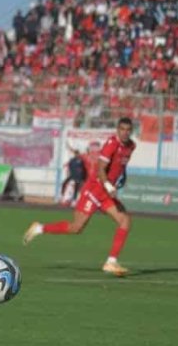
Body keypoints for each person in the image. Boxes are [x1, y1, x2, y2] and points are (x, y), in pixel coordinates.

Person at [23, 118, 136, 277]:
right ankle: (39, 228)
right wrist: (109, 186)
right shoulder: (111, 144)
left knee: (125, 221)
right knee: (76, 228)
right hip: (94, 190)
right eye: (122, 129)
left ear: (131, 131)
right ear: (117, 129)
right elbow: (101, 170)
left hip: (106, 194)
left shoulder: (131, 146)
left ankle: (111, 262)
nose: (125, 132)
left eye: (128, 129)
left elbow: (121, 166)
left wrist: (122, 176)